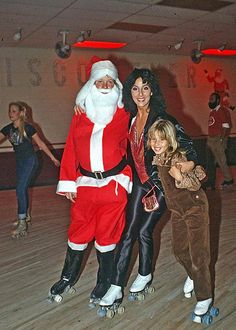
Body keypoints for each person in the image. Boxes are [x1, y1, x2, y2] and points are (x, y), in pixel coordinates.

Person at [98, 68, 198, 313]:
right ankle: (116, 285)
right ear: (129, 92)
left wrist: (184, 166)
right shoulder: (130, 119)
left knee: (144, 231)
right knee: (127, 232)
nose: (140, 93)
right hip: (140, 184)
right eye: (135, 88)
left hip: (162, 184)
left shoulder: (163, 120)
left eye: (145, 87)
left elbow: (191, 151)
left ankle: (144, 274)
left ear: (152, 90)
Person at [48, 57, 132, 305]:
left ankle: (104, 281)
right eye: (100, 81)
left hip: (113, 185)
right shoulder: (80, 116)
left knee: (108, 236)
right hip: (85, 185)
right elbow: (71, 151)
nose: (105, 86)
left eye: (110, 81)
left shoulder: (123, 114)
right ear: (91, 86)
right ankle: (67, 277)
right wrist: (68, 183)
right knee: (78, 231)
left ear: (116, 85)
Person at [147, 119, 218, 323]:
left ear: (170, 140)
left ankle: (204, 297)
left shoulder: (176, 157)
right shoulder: (157, 159)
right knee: (179, 251)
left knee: (199, 256)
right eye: (153, 139)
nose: (157, 143)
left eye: (161, 139)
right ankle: (194, 276)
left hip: (195, 208)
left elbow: (196, 181)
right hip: (177, 212)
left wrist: (180, 175)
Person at [0, 101, 60, 238]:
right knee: (22, 188)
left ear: (21, 113)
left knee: (20, 189)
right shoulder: (8, 129)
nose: (11, 113)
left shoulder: (28, 128)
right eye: (10, 111)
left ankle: (22, 223)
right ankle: (24, 215)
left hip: (30, 161)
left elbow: (41, 144)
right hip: (20, 162)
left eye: (14, 111)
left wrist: (52, 158)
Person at [205, 92, 233, 189]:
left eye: (212, 99)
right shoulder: (212, 112)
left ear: (217, 100)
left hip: (218, 139)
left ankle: (228, 180)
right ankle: (210, 181)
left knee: (221, 161)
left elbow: (226, 126)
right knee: (210, 162)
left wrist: (222, 139)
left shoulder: (221, 111)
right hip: (210, 140)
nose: (210, 101)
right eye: (209, 99)